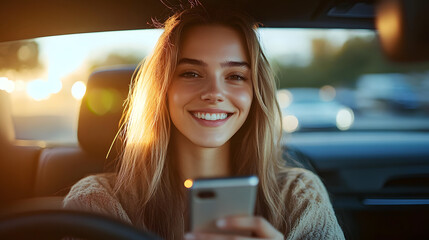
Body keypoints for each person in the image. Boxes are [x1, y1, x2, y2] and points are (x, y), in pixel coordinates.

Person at [63, 4, 345, 240]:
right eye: (191, 73)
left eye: (235, 76)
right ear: (163, 89)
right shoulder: (98, 201)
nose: (214, 93)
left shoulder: (298, 195)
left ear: (255, 93)